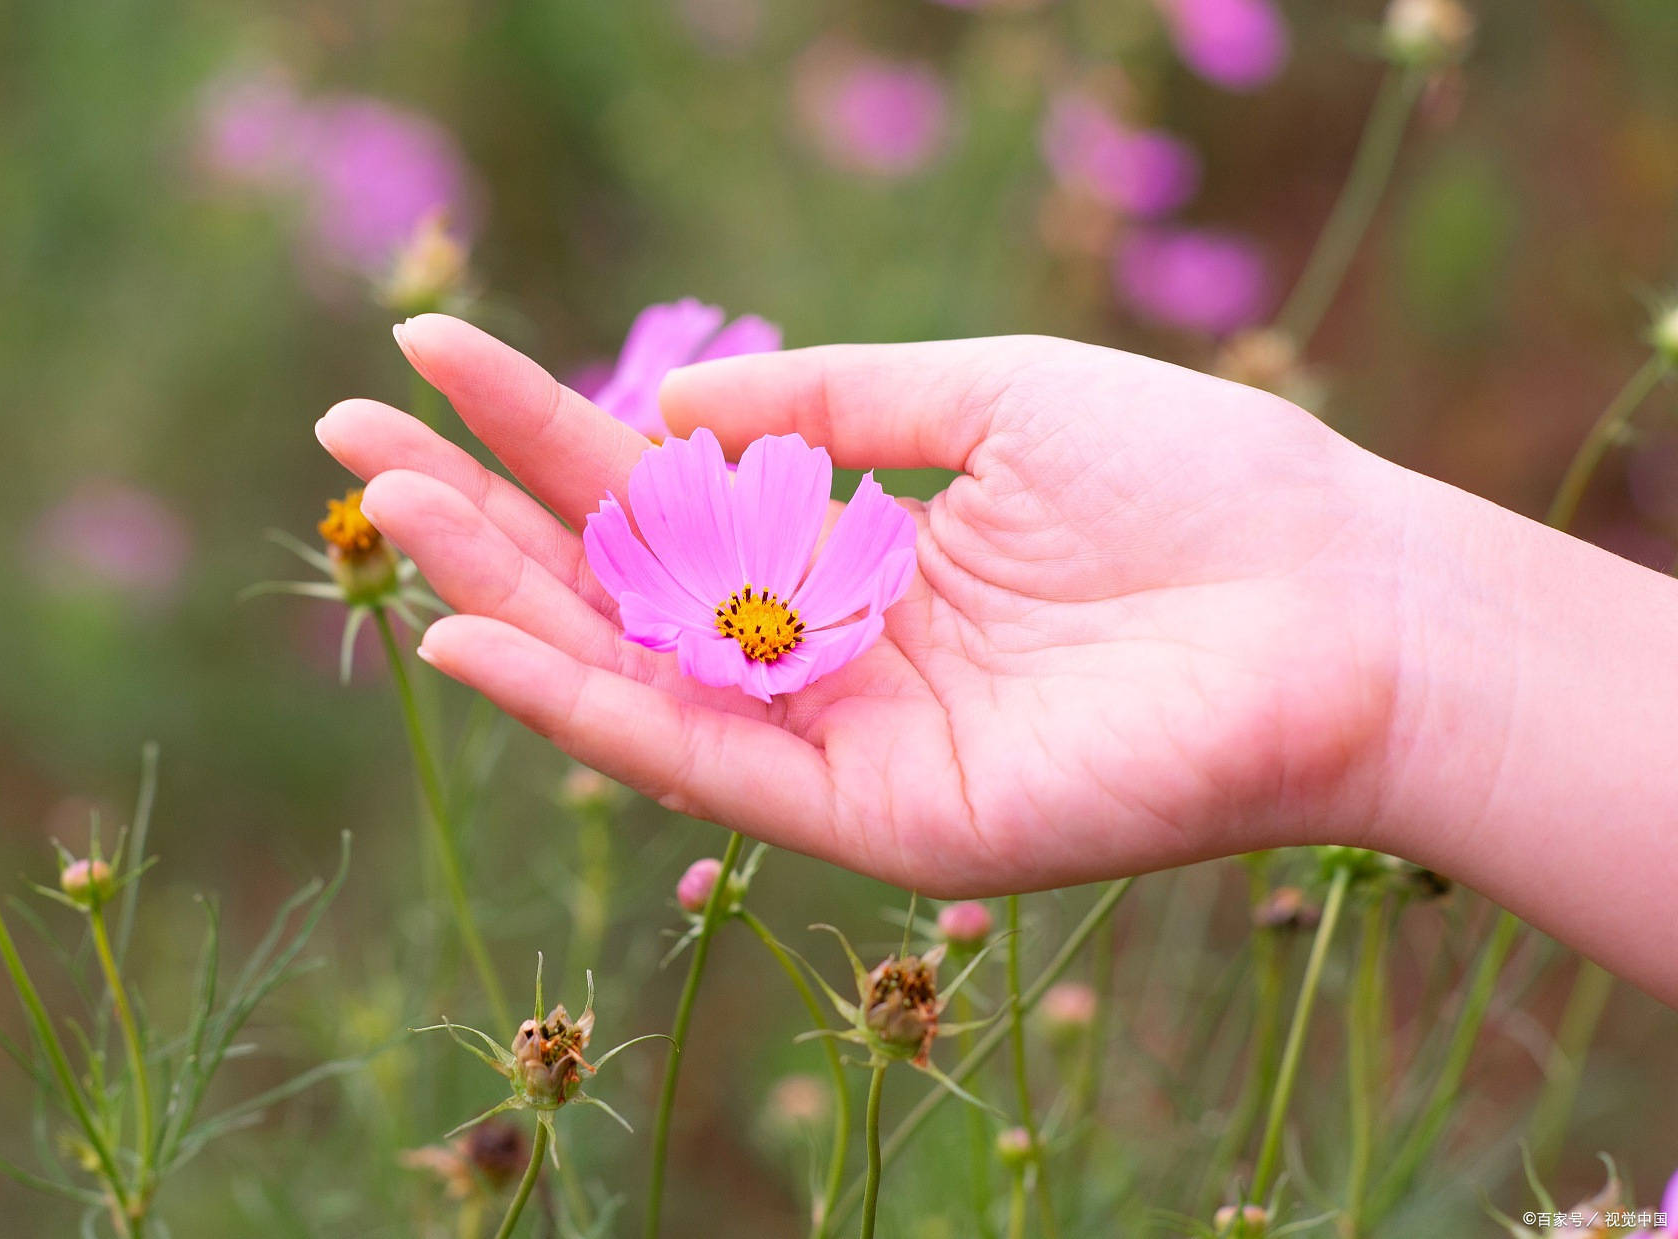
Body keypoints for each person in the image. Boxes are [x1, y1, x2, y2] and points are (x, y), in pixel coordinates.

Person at [315, 313, 1678, 1007]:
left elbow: (815, 597)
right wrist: (1398, 638)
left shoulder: (830, 604)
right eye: (749, 622)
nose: (757, 629)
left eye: (763, 619)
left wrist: (1388, 623)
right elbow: (693, 599)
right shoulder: (727, 609)